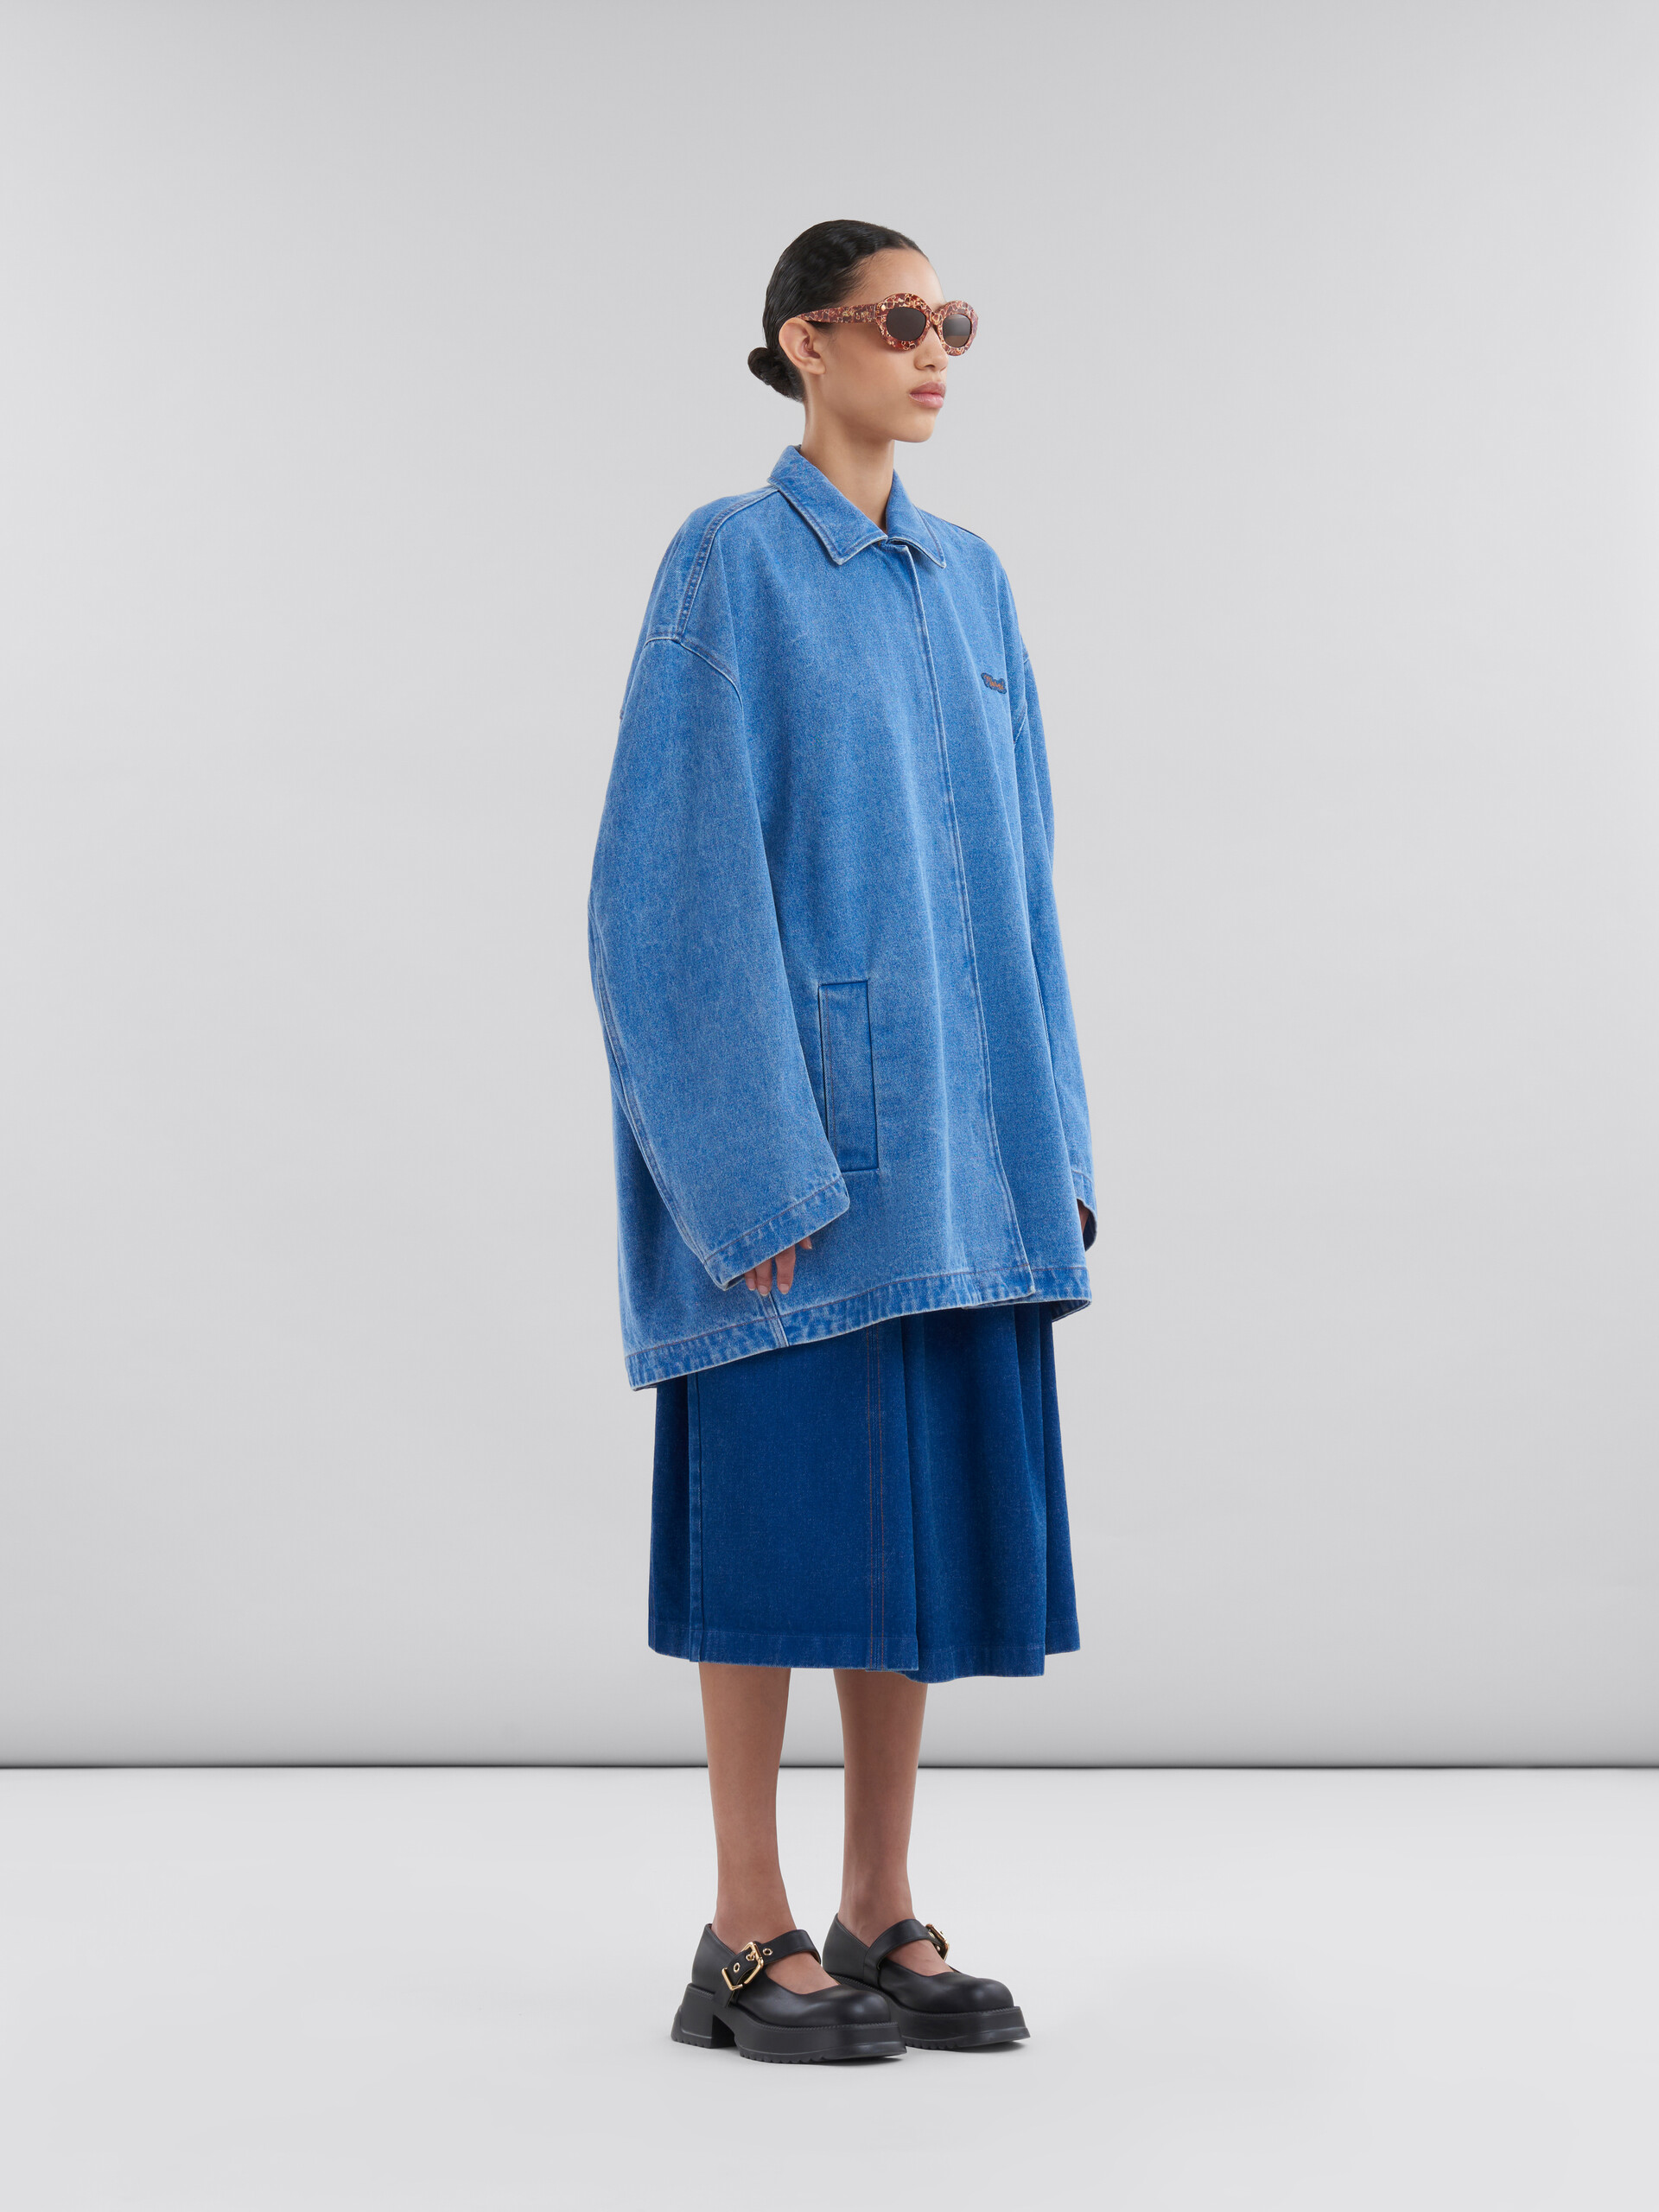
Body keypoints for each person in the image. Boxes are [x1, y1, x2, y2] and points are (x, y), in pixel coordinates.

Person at [588, 219, 1096, 2063]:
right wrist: (742, 1165)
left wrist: (1053, 1133)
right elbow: (664, 881)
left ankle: (879, 1905)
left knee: (910, 1548)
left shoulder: (974, 581)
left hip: (962, 1157)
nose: (934, 347)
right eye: (899, 318)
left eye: (952, 319)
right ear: (807, 344)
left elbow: (1025, 881)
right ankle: (744, 1927)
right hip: (805, 1162)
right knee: (775, 1528)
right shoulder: (730, 560)